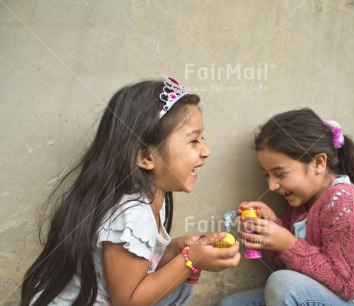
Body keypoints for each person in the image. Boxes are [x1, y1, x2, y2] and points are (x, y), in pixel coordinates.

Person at [21, 75, 240, 306]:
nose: (206, 150)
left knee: (178, 288)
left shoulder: (153, 198)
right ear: (146, 157)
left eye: (201, 138)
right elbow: (128, 302)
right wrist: (191, 260)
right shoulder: (132, 213)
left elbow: (141, 266)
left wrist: (177, 249)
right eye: (194, 140)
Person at [221, 108, 354, 306]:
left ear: (318, 163)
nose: (272, 186)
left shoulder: (344, 205)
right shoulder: (302, 203)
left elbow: (347, 286)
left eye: (280, 174)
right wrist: (273, 228)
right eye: (267, 175)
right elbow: (292, 265)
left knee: (283, 285)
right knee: (232, 304)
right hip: (323, 296)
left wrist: (288, 244)